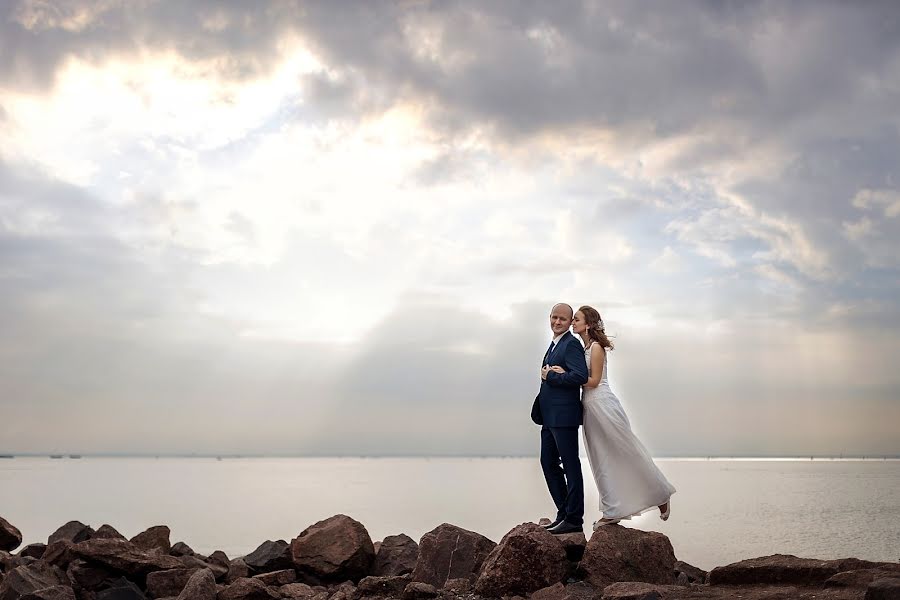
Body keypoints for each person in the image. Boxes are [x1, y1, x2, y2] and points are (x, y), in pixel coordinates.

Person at [550, 305, 675, 530]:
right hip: (588, 407)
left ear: (587, 324)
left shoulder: (596, 348)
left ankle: (661, 494)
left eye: (576, 319)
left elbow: (594, 381)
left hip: (603, 404)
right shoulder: (582, 347)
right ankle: (612, 510)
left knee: (627, 451)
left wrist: (564, 375)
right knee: (600, 459)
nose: (573, 323)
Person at [532, 303, 589, 534]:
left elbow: (580, 376)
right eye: (554, 317)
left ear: (569, 322)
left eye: (563, 319)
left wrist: (553, 377)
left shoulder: (571, 344)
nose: (557, 322)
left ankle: (574, 518)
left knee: (571, 465)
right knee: (548, 463)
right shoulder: (554, 345)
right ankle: (564, 512)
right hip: (549, 417)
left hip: (564, 416)